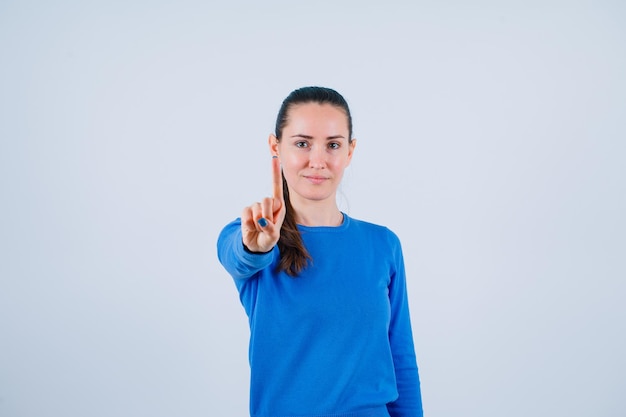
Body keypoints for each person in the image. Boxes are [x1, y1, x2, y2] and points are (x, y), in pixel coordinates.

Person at [217, 86, 423, 417]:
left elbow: (401, 358)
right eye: (302, 143)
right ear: (276, 146)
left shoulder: (383, 245)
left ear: (350, 151)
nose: (318, 161)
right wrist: (254, 248)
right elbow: (238, 255)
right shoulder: (250, 235)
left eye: (333, 145)